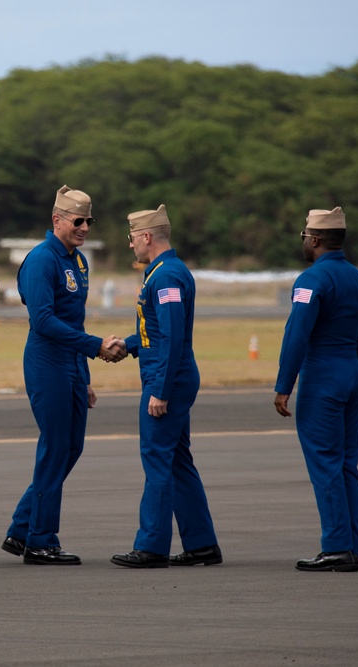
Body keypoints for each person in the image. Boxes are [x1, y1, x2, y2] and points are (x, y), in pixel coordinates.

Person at [1, 185, 126, 566]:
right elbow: (43, 321)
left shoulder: (79, 261)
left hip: (72, 365)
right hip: (47, 363)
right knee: (55, 447)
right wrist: (94, 346)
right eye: (78, 220)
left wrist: (85, 374)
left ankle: (23, 527)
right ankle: (40, 540)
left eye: (89, 220)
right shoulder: (41, 261)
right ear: (56, 220)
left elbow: (74, 319)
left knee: (72, 447)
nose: (84, 227)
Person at [111, 205, 222, 569]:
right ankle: (201, 543)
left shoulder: (167, 277)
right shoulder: (162, 272)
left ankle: (152, 546)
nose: (131, 246)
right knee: (177, 460)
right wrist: (128, 345)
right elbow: (156, 331)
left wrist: (160, 389)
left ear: (147, 237)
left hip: (167, 377)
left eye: (132, 239)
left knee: (157, 458)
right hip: (168, 371)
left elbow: (173, 337)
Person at [273, 206, 358, 573]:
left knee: (325, 462)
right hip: (352, 372)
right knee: (347, 463)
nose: (303, 241)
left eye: (304, 236)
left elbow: (297, 335)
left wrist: (284, 385)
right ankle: (350, 544)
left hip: (322, 375)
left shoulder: (311, 280)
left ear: (314, 239)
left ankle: (336, 546)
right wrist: (352, 372)